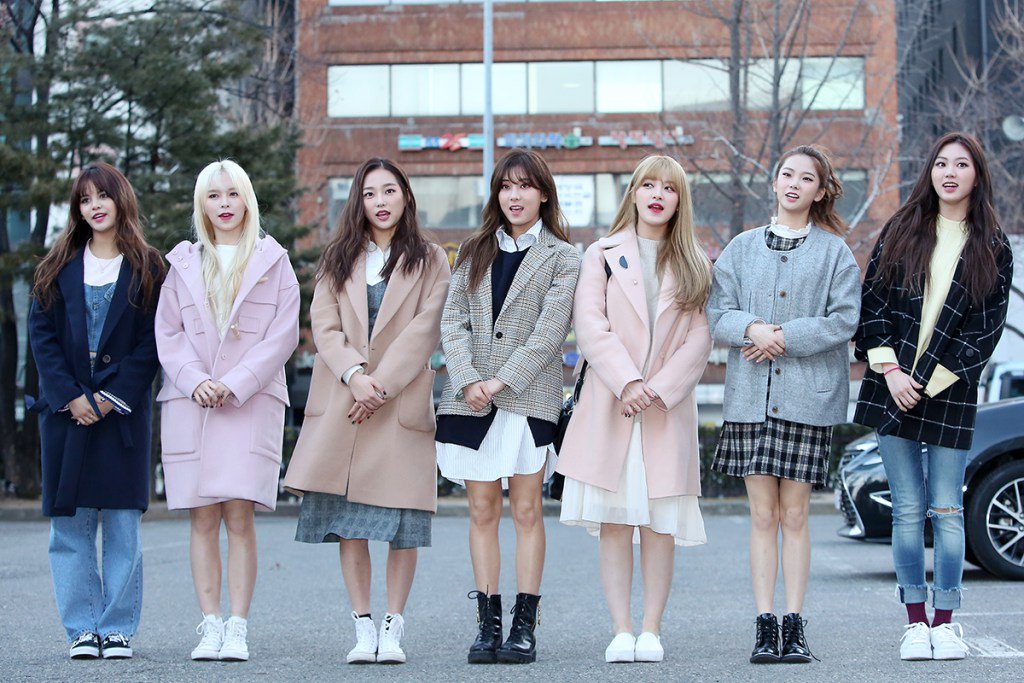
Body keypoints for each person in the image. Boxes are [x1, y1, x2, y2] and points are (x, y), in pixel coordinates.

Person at [283, 158, 450, 664]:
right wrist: (356, 377)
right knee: (349, 523)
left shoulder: (431, 259)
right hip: (346, 403)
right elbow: (324, 326)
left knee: (402, 526)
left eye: (389, 191)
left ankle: (393, 626)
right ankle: (362, 626)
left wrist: (380, 385)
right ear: (359, 200)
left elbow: (426, 329)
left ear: (406, 197)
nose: (380, 201)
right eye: (370, 192)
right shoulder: (338, 258)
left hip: (398, 405)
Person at [854, 131, 1012, 662]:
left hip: (950, 390)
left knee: (946, 509)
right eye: (941, 163)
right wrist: (892, 371)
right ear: (930, 171)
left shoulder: (993, 246)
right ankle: (915, 623)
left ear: (977, 175)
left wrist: (928, 380)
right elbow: (872, 303)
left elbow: (984, 331)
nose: (949, 172)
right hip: (891, 384)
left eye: (961, 165)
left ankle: (945, 622)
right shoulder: (902, 229)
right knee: (907, 510)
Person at [707, 144, 861, 664]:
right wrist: (752, 328)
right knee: (761, 514)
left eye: (806, 178)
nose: (794, 184)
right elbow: (716, 312)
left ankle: (794, 625)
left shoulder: (834, 252)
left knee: (794, 515)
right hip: (751, 399)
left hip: (806, 400)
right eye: (787, 174)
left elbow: (844, 319)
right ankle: (764, 622)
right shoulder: (741, 248)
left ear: (820, 190)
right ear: (774, 183)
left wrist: (783, 337)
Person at [557, 155, 713, 664]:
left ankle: (651, 629)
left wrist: (658, 388)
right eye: (648, 185)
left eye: (669, 187)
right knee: (616, 521)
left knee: (659, 522)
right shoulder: (601, 254)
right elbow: (590, 324)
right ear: (633, 193)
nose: (657, 195)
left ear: (679, 200)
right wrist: (627, 381)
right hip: (613, 403)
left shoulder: (695, 262)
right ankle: (621, 629)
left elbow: (699, 339)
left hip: (665, 409)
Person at [435, 148, 581, 664]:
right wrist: (469, 378)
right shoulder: (473, 249)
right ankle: (488, 623)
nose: (514, 196)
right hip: (470, 397)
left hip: (527, 397)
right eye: (505, 186)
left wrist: (501, 380)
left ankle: (524, 624)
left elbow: (550, 331)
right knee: (481, 510)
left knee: (525, 509)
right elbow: (453, 321)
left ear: (543, 194)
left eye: (524, 186)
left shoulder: (564, 256)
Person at [155, 159, 300, 662]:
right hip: (191, 404)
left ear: (247, 199)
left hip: (249, 403)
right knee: (201, 519)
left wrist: (233, 383)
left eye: (232, 194)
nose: (223, 204)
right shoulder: (183, 263)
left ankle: (238, 625)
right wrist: (196, 381)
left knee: (239, 517)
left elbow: (282, 335)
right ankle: (210, 623)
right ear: (202, 204)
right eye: (213, 195)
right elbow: (167, 332)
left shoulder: (273, 261)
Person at [28, 162, 165, 660]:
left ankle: (118, 627)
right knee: (71, 526)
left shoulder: (150, 267)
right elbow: (42, 338)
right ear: (78, 209)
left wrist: (110, 398)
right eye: (85, 200)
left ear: (120, 199)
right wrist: (71, 396)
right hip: (67, 414)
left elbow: (154, 341)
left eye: (102, 196)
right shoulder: (56, 265)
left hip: (121, 415)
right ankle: (82, 628)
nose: (95, 206)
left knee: (123, 525)